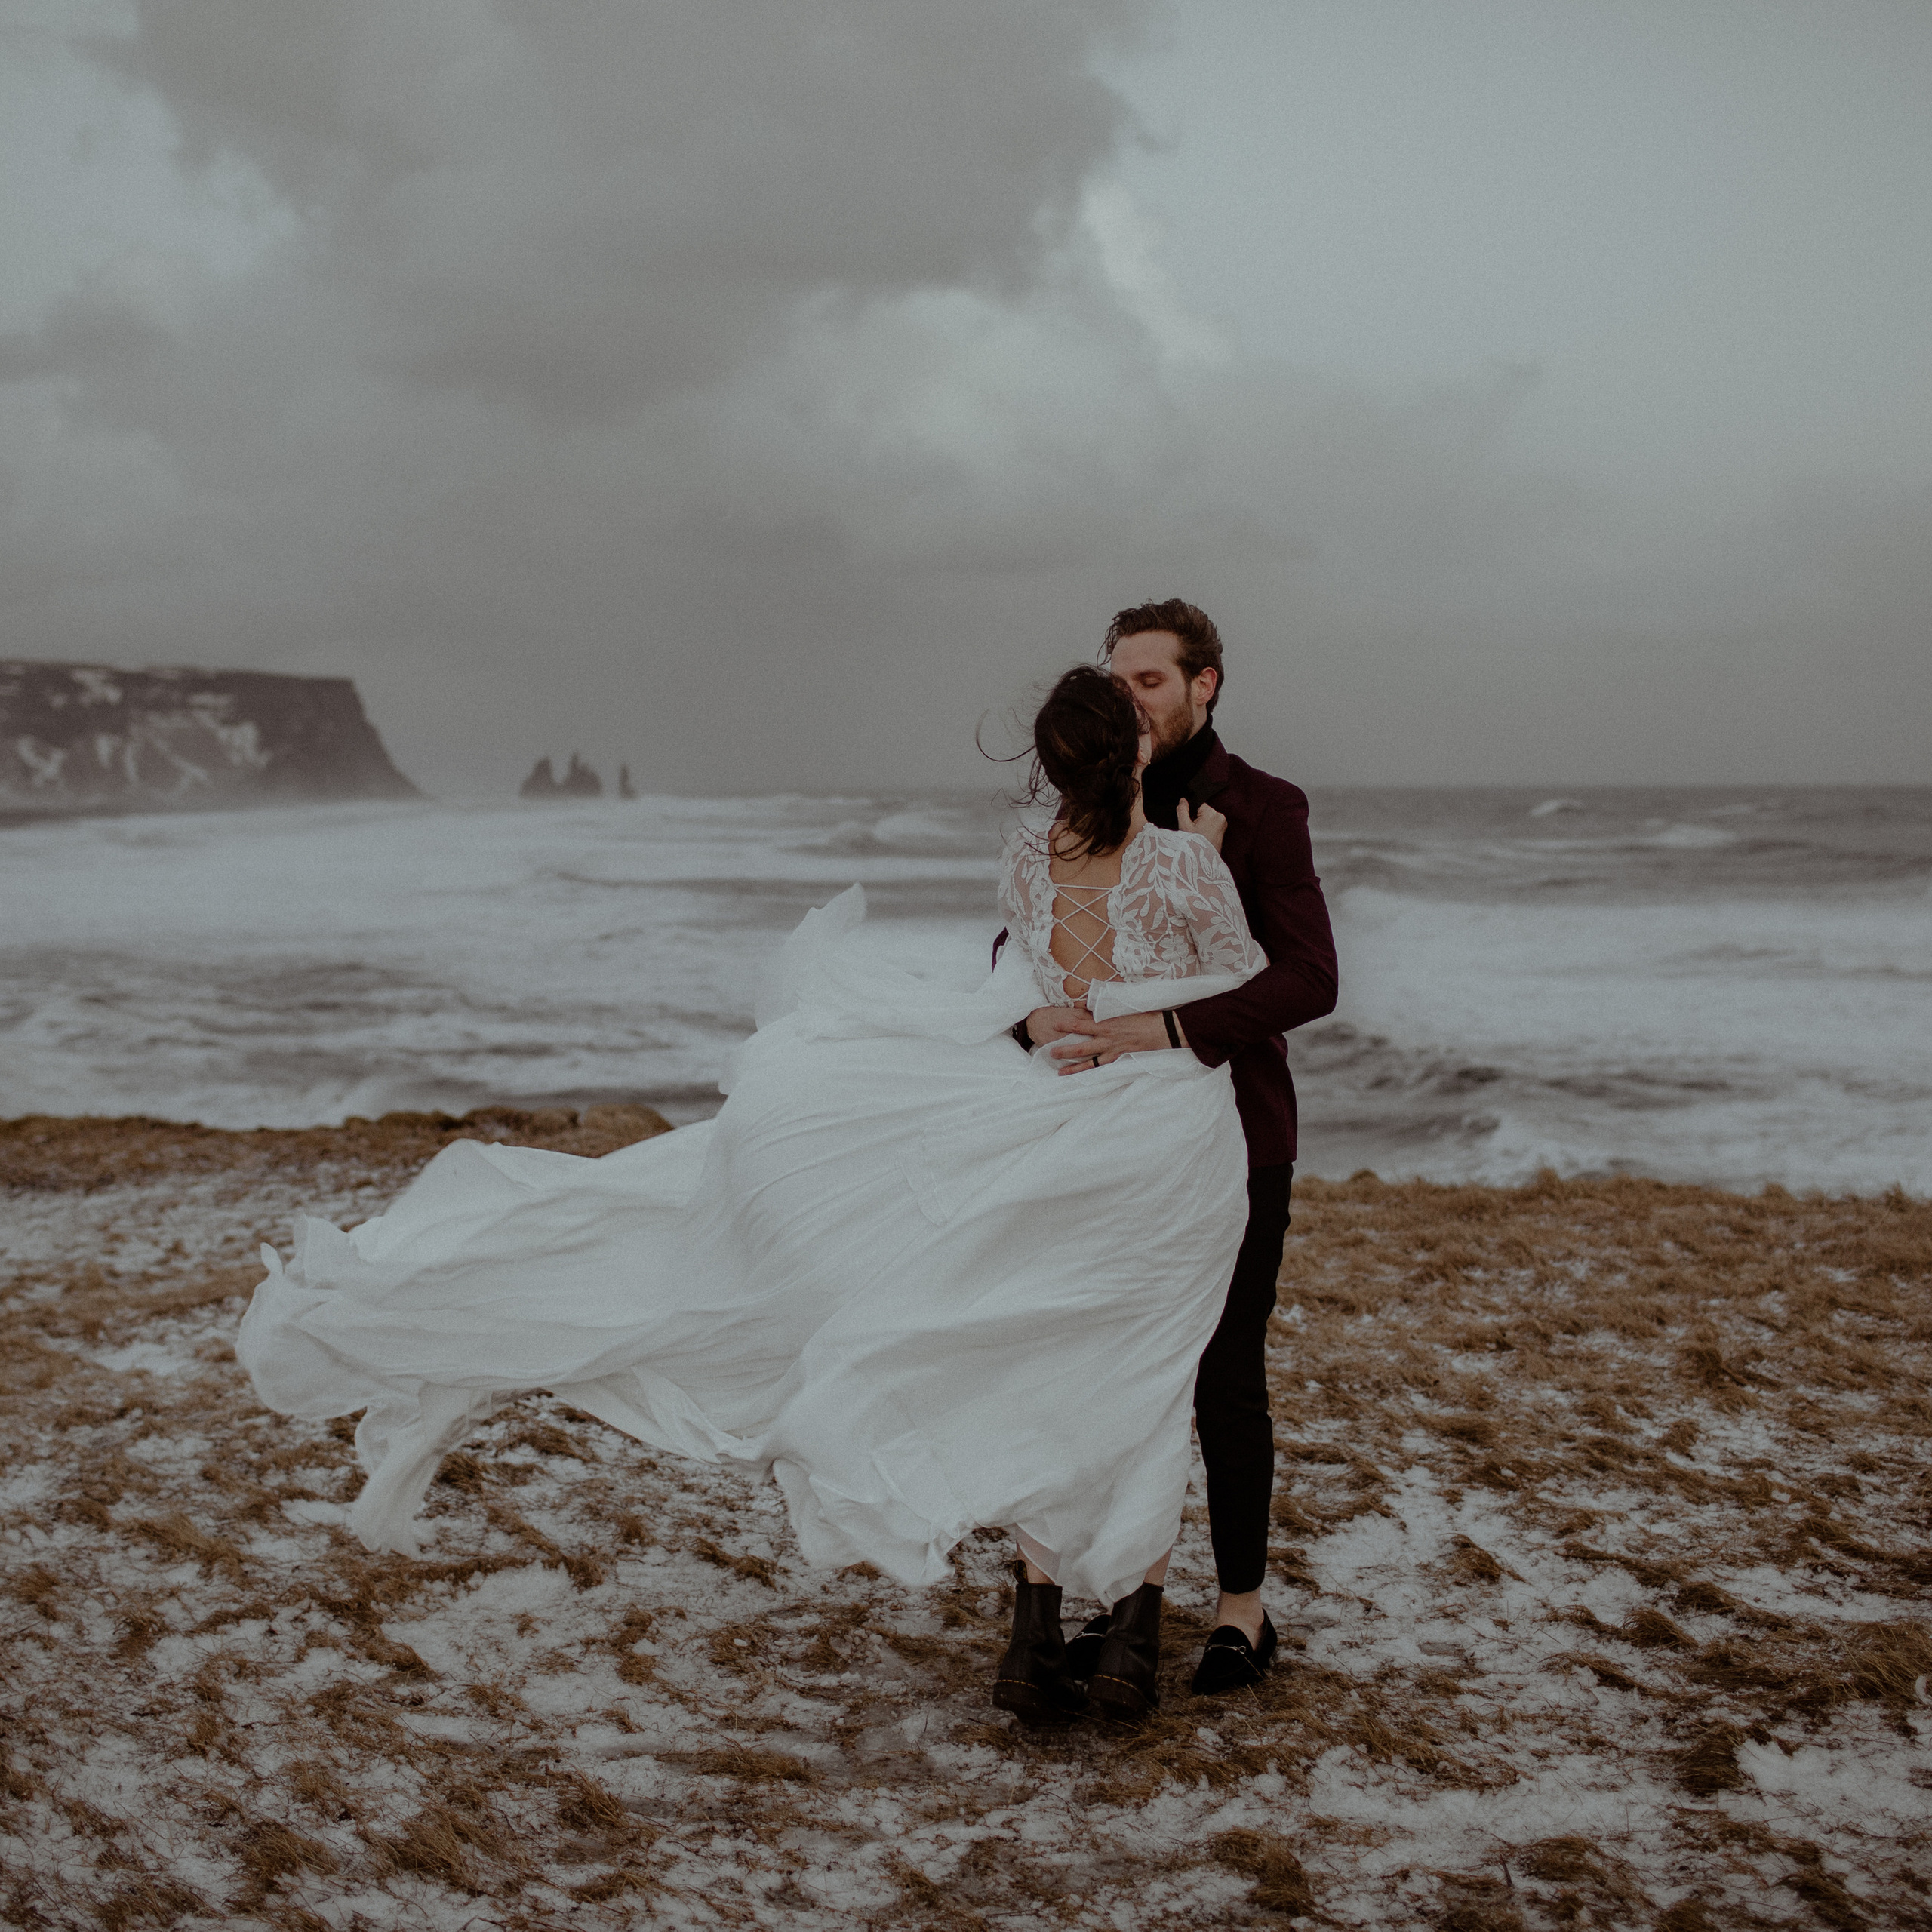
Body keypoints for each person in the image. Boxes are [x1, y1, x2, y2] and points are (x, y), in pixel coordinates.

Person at [234, 658, 1277, 1730]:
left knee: (1041, 1361)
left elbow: (1043, 989)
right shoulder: (1182, 869)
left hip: (1056, 1114)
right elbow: (1242, 982)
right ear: (1136, 750)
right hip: (1158, 1136)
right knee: (1144, 1375)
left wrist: (1042, 1025)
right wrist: (1200, 854)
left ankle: (1034, 1636)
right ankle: (1132, 1649)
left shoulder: (1027, 856)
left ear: (1051, 765)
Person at [1012, 600, 1338, 1697]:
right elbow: (1016, 956)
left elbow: (1308, 976)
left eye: (1150, 678)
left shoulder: (1265, 808)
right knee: (1100, 1367)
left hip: (1235, 1131)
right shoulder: (1085, 800)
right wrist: (1028, 1024)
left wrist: (1172, 1025)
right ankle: (1106, 1610)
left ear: (1207, 684)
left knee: (1224, 1374)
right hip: (1094, 1136)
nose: (1130, 696)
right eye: (1120, 679)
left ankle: (1242, 1613)